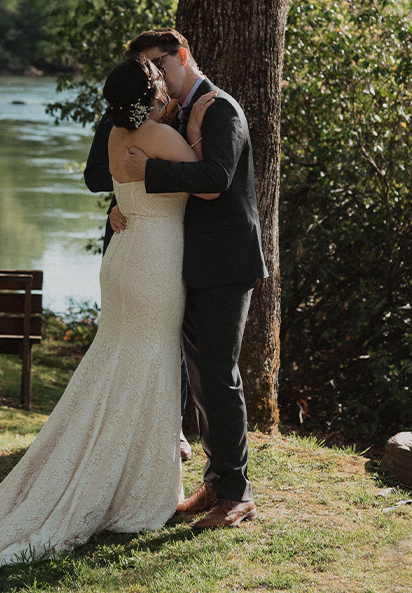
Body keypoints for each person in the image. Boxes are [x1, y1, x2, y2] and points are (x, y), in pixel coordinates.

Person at [0, 57, 215, 576]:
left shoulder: (116, 136)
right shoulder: (161, 136)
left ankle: (127, 475)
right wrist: (193, 121)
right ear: (150, 91)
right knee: (148, 364)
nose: (168, 86)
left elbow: (125, 184)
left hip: (123, 259)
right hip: (153, 264)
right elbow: (208, 180)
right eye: (161, 84)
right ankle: (136, 491)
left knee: (121, 363)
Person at [121, 28, 267, 530]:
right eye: (148, 69)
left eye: (159, 64)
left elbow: (218, 177)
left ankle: (237, 495)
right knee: (203, 379)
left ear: (182, 55)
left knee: (220, 378)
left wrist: (151, 173)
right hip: (192, 263)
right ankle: (217, 481)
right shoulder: (176, 112)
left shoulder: (220, 107)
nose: (156, 76)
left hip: (227, 264)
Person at [84, 94, 193, 462]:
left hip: (166, 240)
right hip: (130, 232)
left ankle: (171, 427)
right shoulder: (118, 118)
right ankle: (114, 426)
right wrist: (127, 195)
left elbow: (206, 179)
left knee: (166, 337)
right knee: (125, 335)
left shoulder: (187, 117)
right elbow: (94, 175)